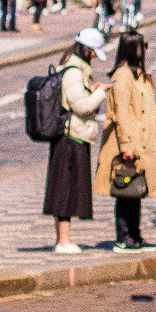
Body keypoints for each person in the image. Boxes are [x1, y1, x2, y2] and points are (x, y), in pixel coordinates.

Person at [94, 32, 156, 252]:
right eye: (143, 45)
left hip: (142, 145)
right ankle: (124, 237)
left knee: (136, 191)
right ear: (135, 49)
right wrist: (127, 145)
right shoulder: (122, 77)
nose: (146, 49)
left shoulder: (138, 76)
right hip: (128, 145)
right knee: (125, 190)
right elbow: (122, 114)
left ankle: (136, 235)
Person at [45, 27, 108, 253]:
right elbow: (81, 106)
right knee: (65, 189)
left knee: (65, 187)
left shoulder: (75, 69)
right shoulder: (73, 72)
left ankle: (63, 239)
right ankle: (63, 241)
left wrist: (92, 88)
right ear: (87, 50)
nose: (94, 56)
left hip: (72, 134)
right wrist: (101, 93)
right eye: (93, 52)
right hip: (71, 135)